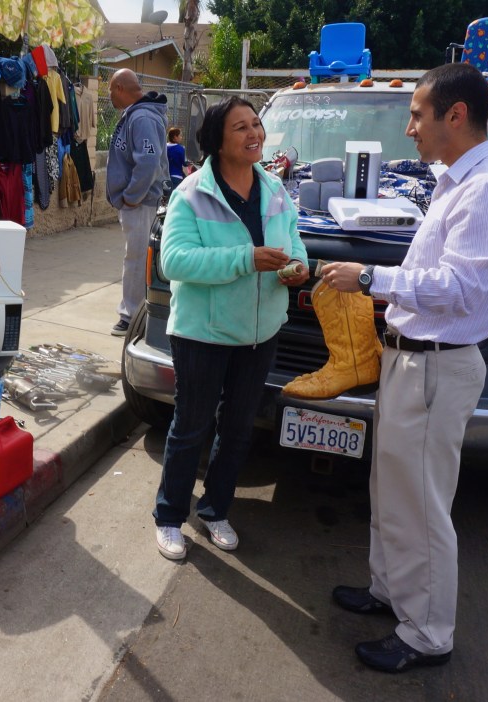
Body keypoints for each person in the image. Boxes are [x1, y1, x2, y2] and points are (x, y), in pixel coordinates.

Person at [322, 63, 488, 672]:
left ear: (455, 115)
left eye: (417, 114)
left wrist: (370, 279)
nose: (409, 127)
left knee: (423, 505)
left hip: (438, 368)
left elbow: (461, 287)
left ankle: (427, 634)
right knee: (392, 493)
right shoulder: (456, 180)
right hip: (411, 362)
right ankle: (391, 592)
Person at [152, 97, 310, 560]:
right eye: (240, 127)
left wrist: (298, 265)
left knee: (239, 428)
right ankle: (168, 517)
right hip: (203, 333)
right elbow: (174, 261)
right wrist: (247, 259)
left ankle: (216, 509)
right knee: (190, 426)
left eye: (256, 123)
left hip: (259, 332)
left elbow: (295, 241)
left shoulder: (276, 189)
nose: (253, 133)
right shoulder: (193, 193)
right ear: (218, 141)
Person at [106, 68, 168, 337]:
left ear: (120, 87)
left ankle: (131, 317)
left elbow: (149, 161)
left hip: (142, 203)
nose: (109, 96)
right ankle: (138, 313)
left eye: (110, 90)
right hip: (140, 202)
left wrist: (131, 197)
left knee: (137, 259)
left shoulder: (141, 117)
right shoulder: (136, 114)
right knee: (139, 258)